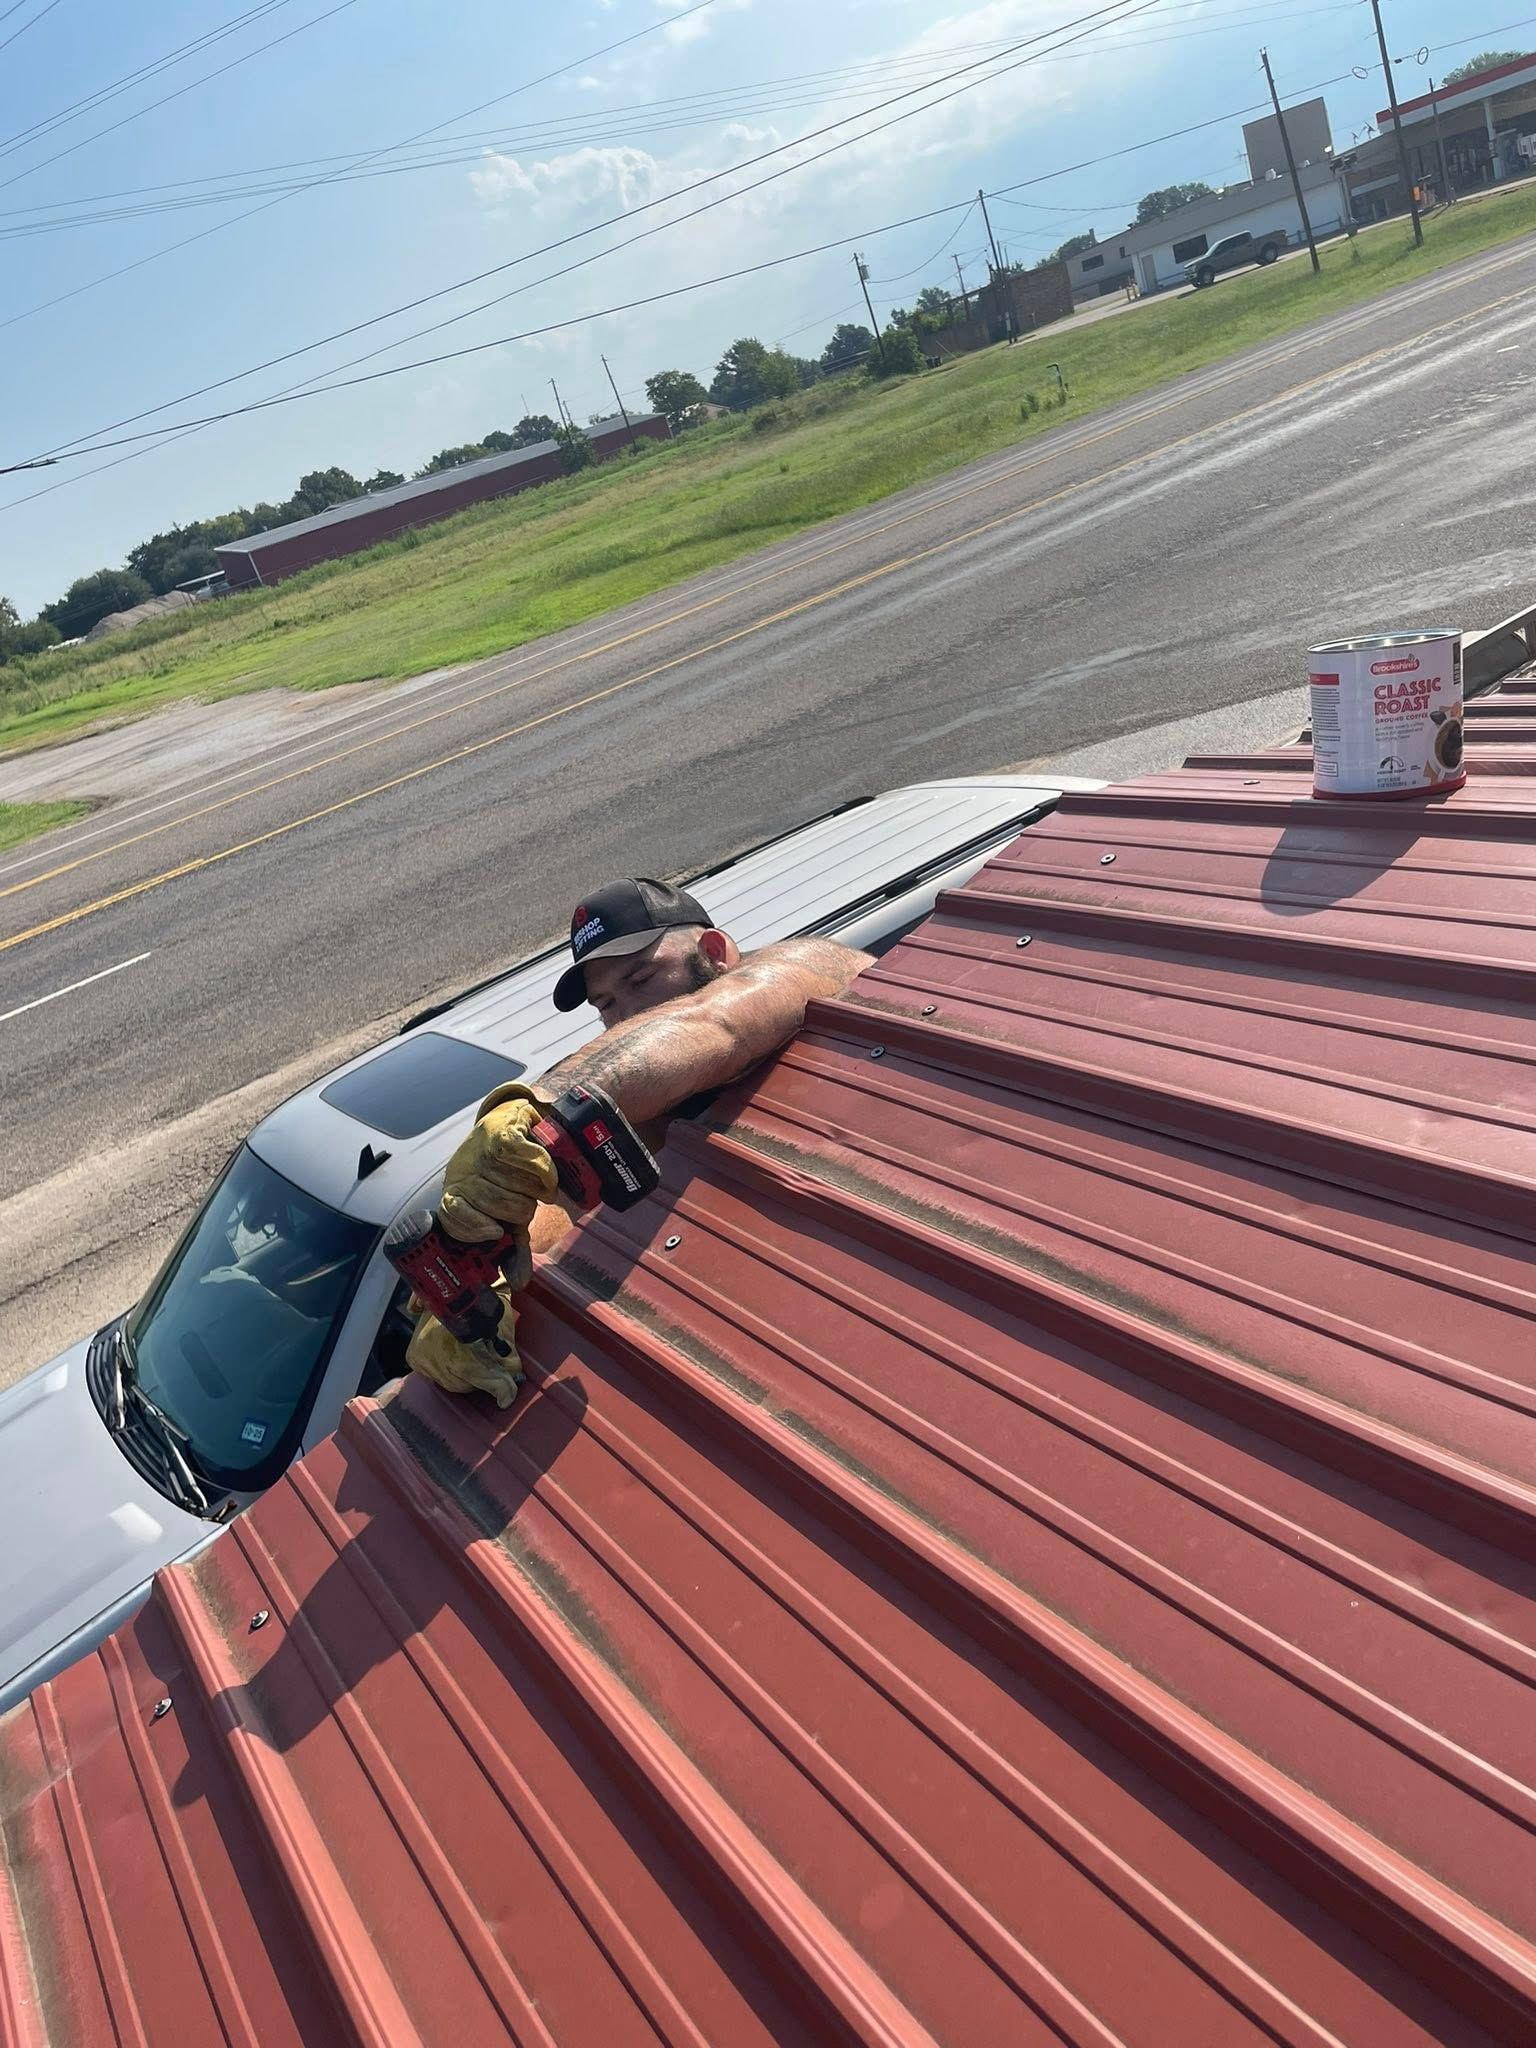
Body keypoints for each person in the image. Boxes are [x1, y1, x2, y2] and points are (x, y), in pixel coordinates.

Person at [407, 877, 871, 1405]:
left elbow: (714, 1021)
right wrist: (471, 1281)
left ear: (714, 952)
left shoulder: (803, 965)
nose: (626, 1016)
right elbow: (562, 1192)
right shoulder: (662, 1102)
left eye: (642, 978)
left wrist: (542, 1106)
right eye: (606, 1003)